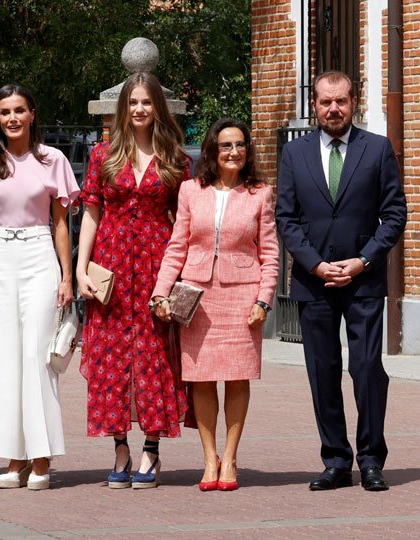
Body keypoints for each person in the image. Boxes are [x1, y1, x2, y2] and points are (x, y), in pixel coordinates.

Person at [276, 70, 406, 492]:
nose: (333, 109)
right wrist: (314, 264)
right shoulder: (295, 155)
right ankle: (335, 460)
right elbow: (286, 219)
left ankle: (371, 460)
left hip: (363, 281)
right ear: (314, 104)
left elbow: (395, 214)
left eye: (341, 101)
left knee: (367, 369)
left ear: (355, 102)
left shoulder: (378, 149)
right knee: (323, 371)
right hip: (314, 284)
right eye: (325, 101)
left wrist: (364, 261)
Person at [76, 71, 190, 489]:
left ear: (157, 107)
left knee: (156, 356)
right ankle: (121, 446)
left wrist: (179, 276)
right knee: (111, 357)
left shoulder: (176, 158)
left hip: (156, 268)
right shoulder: (103, 154)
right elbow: (91, 212)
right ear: (124, 108)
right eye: (133, 102)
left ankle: (152, 450)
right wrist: (80, 267)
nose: (140, 109)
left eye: (146, 102)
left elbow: (184, 221)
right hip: (111, 268)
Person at [151, 118, 279, 491]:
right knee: (201, 380)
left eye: (240, 145)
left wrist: (263, 299)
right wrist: (161, 292)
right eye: (226, 145)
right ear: (212, 150)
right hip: (198, 298)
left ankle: (231, 457)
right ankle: (209, 459)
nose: (234, 152)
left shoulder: (260, 193)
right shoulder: (191, 190)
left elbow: (270, 253)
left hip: (242, 295)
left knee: (238, 377)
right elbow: (178, 246)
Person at [0, 84, 79, 490]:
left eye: (19, 110)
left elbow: (62, 224)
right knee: (5, 358)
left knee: (36, 356)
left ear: (32, 113)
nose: (11, 118)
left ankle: (42, 456)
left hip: (39, 256)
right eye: (3, 112)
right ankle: (15, 456)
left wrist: (67, 276)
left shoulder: (54, 160)